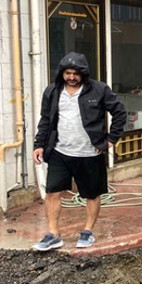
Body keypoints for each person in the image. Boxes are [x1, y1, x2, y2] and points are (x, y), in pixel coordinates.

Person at [32, 52, 126, 251]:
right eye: (68, 73)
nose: (71, 77)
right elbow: (45, 120)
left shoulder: (99, 90)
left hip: (90, 153)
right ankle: (53, 234)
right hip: (59, 152)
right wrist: (39, 144)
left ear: (83, 73)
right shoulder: (52, 91)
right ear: (62, 73)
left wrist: (111, 139)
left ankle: (87, 231)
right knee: (52, 193)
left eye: (75, 73)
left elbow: (119, 112)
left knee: (92, 194)